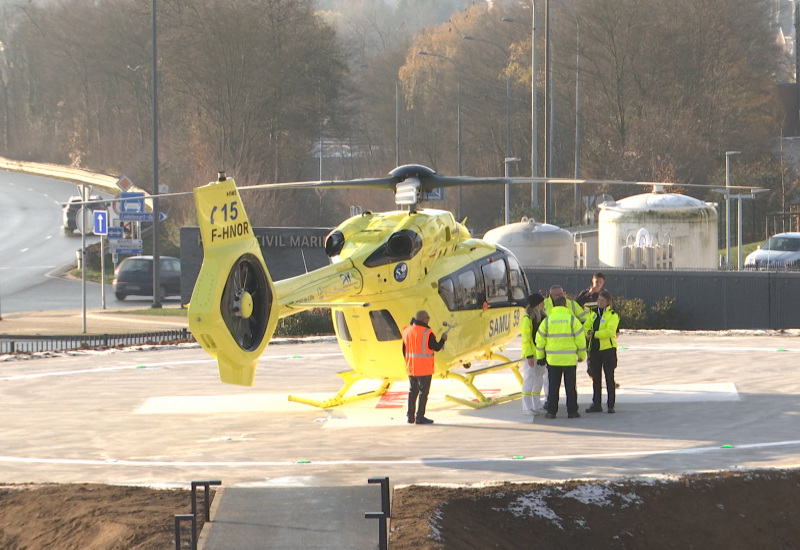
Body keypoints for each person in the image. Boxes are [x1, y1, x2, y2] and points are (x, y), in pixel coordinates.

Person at [535, 295, 587, 419]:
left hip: (553, 360)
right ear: (565, 305)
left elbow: (540, 340)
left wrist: (541, 356)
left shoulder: (547, 320)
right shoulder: (572, 320)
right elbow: (580, 339)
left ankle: (552, 412)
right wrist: (581, 355)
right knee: (570, 387)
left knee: (553, 387)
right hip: (569, 360)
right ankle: (572, 411)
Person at [402, 310, 448, 425]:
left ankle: (410, 416)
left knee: (412, 392)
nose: (429, 320)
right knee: (423, 393)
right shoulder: (427, 333)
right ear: (424, 319)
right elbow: (436, 347)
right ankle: (420, 417)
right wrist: (443, 339)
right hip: (424, 368)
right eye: (428, 318)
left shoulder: (406, 331)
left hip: (411, 367)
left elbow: (404, 350)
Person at [584, 290, 620, 414]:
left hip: (607, 350)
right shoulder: (592, 313)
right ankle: (596, 403)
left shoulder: (612, 314)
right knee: (596, 377)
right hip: (594, 349)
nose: (599, 302)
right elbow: (586, 326)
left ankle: (610, 404)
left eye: (602, 300)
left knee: (609, 377)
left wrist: (594, 334)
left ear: (608, 302)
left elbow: (610, 332)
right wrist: (588, 332)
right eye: (598, 300)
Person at [520, 292, 547, 416]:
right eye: (541, 302)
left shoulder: (542, 317)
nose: (543, 304)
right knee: (529, 378)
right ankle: (527, 406)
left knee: (538, 379)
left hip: (540, 354)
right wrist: (529, 356)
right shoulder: (527, 319)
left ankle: (537, 405)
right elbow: (526, 340)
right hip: (532, 354)